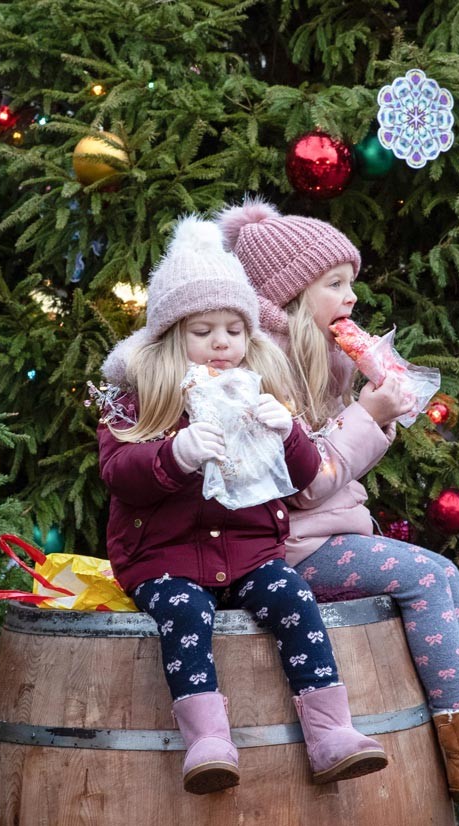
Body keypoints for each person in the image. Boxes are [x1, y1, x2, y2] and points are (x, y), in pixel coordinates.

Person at [217, 198, 459, 802]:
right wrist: (367, 413)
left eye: (350, 282)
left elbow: (333, 464)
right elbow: (305, 481)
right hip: (279, 552)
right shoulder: (261, 375)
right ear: (289, 298)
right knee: (432, 576)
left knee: (427, 575)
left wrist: (376, 411)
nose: (351, 298)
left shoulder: (321, 358)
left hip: (313, 534)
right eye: (334, 284)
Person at [97, 216, 387, 796]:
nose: (222, 343)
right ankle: (207, 740)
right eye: (203, 330)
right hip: (165, 558)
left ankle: (331, 733)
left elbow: (305, 478)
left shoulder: (258, 388)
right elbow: (118, 473)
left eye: (234, 329)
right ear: (170, 335)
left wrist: (290, 435)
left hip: (251, 553)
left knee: (292, 597)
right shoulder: (140, 396)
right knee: (184, 614)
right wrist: (174, 454)